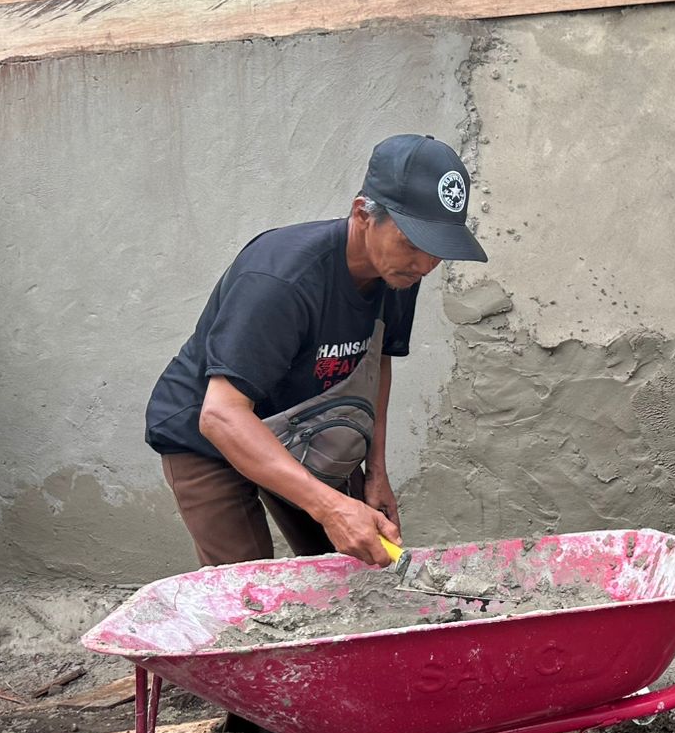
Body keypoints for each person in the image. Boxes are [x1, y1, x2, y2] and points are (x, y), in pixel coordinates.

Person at [145, 134, 487, 569]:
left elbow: (376, 361)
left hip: (301, 426)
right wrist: (329, 507)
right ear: (362, 213)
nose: (424, 265)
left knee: (361, 565)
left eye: (437, 250)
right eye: (412, 243)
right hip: (210, 433)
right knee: (249, 586)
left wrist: (375, 470)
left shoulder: (398, 273)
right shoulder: (281, 280)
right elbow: (221, 416)